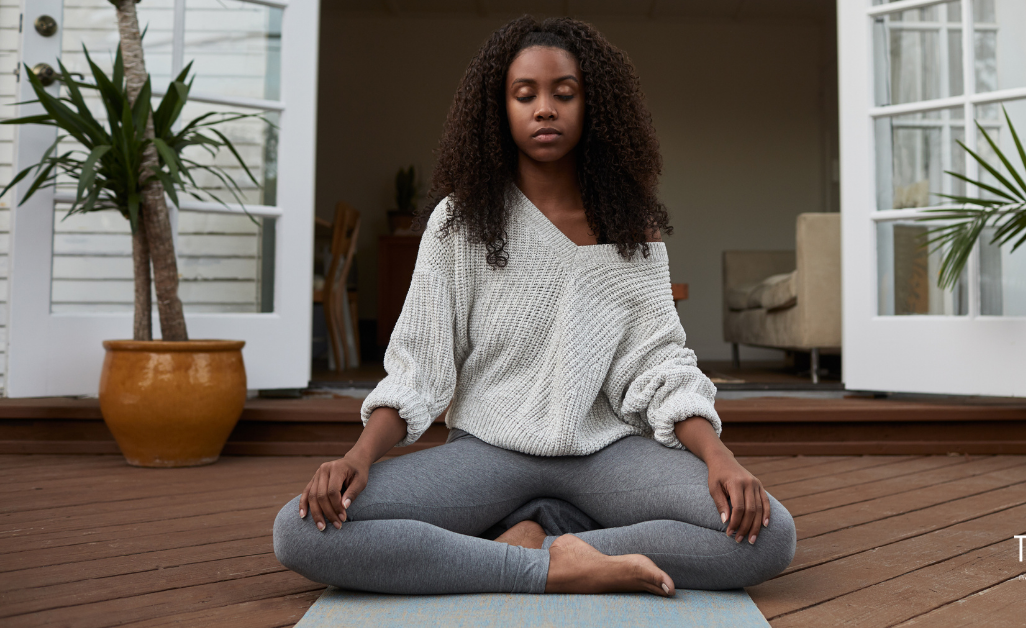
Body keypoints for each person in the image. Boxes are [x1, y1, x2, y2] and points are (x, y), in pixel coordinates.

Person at [273, 15, 796, 597]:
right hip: (486, 455)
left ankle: (540, 544)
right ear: (499, 111)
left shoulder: (631, 231)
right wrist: (357, 456)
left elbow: (661, 367)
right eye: (525, 95)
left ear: (592, 107)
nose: (544, 108)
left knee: (769, 535)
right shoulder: (460, 223)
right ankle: (552, 564)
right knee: (302, 531)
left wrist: (719, 457)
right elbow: (417, 371)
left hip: (606, 454)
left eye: (563, 94)